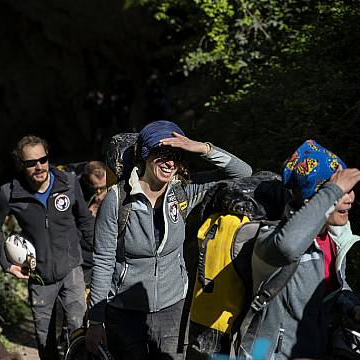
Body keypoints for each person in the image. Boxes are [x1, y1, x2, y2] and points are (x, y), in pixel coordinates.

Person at [85, 120, 253, 360]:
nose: (170, 162)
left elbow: (243, 173)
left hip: (173, 307)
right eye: (162, 153)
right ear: (145, 154)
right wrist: (95, 320)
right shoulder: (117, 200)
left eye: (176, 155)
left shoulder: (183, 191)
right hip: (124, 311)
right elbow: (103, 261)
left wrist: (202, 148)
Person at [238, 140, 360, 360]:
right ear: (315, 198)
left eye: (349, 191)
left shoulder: (333, 238)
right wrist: (333, 191)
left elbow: (331, 283)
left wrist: (350, 304)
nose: (350, 199)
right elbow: (288, 248)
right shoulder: (269, 239)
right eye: (342, 192)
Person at [0, 135, 94, 359]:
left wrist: (99, 256)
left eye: (42, 159)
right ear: (21, 165)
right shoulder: (9, 193)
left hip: (72, 271)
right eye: (31, 163)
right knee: (46, 343)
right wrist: (6, 264)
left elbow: (85, 221)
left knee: (80, 335)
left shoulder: (69, 183)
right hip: (39, 279)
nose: (39, 166)